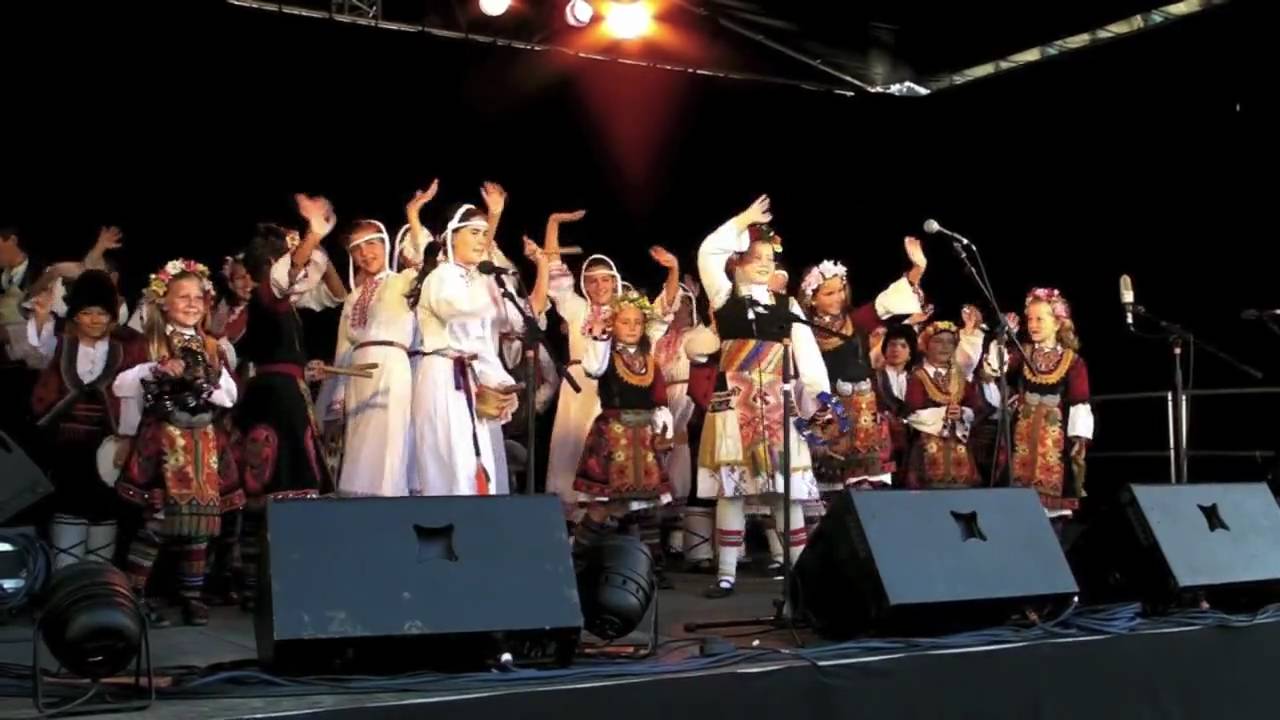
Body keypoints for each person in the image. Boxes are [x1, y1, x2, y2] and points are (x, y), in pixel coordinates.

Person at [695, 195, 830, 598]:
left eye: (770, 257)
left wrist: (824, 404)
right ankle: (726, 572)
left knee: (784, 493)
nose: (765, 262)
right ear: (738, 259)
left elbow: (809, 359)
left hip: (778, 407)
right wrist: (743, 220)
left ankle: (803, 573)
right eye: (756, 255)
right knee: (732, 489)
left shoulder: (788, 306)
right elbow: (707, 253)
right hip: (732, 406)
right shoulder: (723, 297)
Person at [112, 260, 242, 626]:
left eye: (197, 297)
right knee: (156, 522)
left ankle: (192, 597)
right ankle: (134, 595)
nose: (190, 303)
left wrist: (206, 383)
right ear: (163, 302)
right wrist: (155, 370)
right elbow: (122, 387)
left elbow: (230, 396)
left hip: (202, 444)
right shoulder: (150, 341)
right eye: (181, 297)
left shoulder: (213, 346)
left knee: (199, 524)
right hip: (164, 442)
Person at [28, 270, 148, 569]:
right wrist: (42, 317)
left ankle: (97, 584)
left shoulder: (126, 351)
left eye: (102, 313)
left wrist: (128, 438)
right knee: (68, 506)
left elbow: (133, 397)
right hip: (66, 447)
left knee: (104, 510)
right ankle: (66, 582)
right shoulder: (61, 346)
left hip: (107, 447)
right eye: (87, 312)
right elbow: (38, 353)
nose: (95, 320)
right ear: (75, 315)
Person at [796, 241, 928, 500]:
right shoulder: (802, 330)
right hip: (828, 413)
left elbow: (887, 301)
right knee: (829, 490)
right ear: (812, 298)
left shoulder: (856, 321)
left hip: (865, 413)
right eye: (829, 293)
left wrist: (918, 269)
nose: (838, 298)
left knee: (869, 491)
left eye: (840, 291)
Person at [411, 203, 521, 495]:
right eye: (474, 232)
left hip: (469, 380)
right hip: (443, 376)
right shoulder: (442, 276)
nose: (482, 241)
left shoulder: (476, 281)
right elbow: (457, 311)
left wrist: (500, 382)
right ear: (452, 237)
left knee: (477, 457)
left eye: (485, 234)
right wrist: (490, 294)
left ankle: (476, 530)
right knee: (450, 458)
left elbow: (482, 343)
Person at [574, 290, 676, 586]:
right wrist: (599, 336)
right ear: (613, 325)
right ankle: (575, 556)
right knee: (604, 502)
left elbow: (656, 397)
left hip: (642, 435)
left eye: (637, 322)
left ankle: (649, 564)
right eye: (625, 322)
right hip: (613, 434)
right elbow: (592, 368)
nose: (632, 327)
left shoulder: (648, 358)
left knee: (647, 504)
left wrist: (661, 424)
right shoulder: (605, 352)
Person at [323, 218, 418, 497]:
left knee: (390, 441)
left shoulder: (405, 280)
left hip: (392, 364)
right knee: (357, 445)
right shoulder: (353, 298)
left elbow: (425, 262)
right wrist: (337, 399)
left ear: (386, 245)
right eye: (357, 249)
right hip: (358, 374)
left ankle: (389, 505)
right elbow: (343, 350)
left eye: (372, 243)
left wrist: (412, 218)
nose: (365, 253)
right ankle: (357, 504)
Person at [989, 289, 1093, 517]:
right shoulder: (1022, 352)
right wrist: (1003, 339)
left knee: (1052, 501)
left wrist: (1079, 437)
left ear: (1057, 323)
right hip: (1022, 432)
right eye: (1030, 319)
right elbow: (997, 368)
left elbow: (1079, 400)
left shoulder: (1072, 360)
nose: (1033, 325)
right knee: (1014, 496)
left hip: (1054, 436)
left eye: (1040, 319)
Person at [542, 210, 618, 510]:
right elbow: (553, 267)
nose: (599, 287)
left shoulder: (626, 313)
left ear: (615, 282)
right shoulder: (575, 308)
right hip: (577, 387)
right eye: (592, 281)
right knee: (571, 450)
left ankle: (606, 519)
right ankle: (571, 524)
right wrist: (553, 225)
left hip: (611, 389)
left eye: (605, 280)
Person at [904, 321, 982, 488]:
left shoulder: (960, 378)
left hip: (958, 446)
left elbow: (976, 407)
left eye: (950, 342)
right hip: (927, 446)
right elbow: (911, 412)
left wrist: (962, 413)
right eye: (938, 341)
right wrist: (942, 414)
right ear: (926, 345)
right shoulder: (918, 377)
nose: (944, 347)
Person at [874, 323, 917, 487]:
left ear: (910, 353)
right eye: (891, 344)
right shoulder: (875, 377)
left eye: (903, 346)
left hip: (911, 440)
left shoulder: (918, 378)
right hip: (883, 442)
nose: (896, 349)